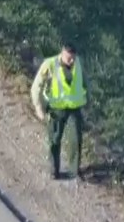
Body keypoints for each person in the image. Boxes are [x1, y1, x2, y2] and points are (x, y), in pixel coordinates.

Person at [30, 42, 88, 180]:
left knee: (75, 139)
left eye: (73, 57)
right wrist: (39, 107)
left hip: (74, 108)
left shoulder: (78, 63)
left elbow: (85, 82)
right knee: (54, 140)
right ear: (62, 54)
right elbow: (37, 86)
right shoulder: (50, 64)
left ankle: (74, 171)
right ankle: (54, 171)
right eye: (69, 58)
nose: (72, 61)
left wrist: (87, 100)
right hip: (56, 109)